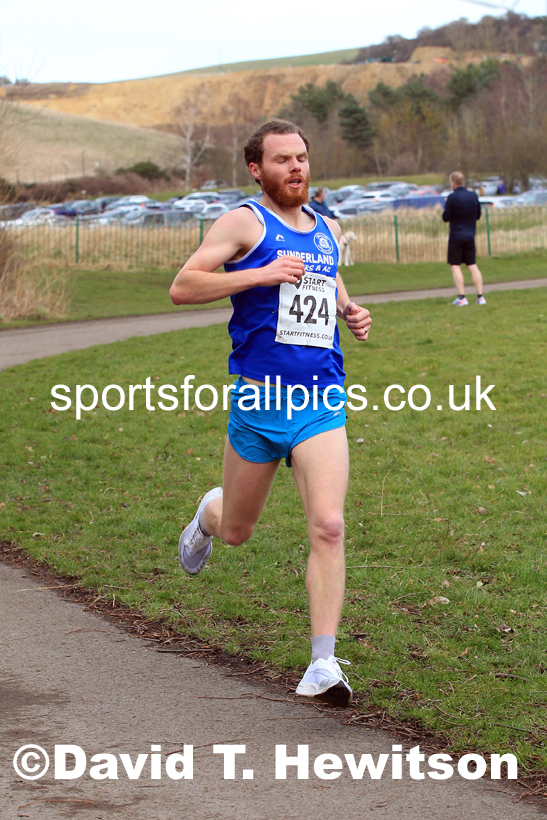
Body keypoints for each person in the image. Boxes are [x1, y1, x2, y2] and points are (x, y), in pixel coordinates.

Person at [169, 119, 371, 707]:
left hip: (320, 400)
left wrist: (351, 312)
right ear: (258, 169)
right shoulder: (243, 223)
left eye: (303, 157)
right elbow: (183, 287)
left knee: (329, 525)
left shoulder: (329, 228)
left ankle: (323, 662)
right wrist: (259, 272)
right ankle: (206, 517)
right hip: (259, 400)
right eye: (283, 160)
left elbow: (325, 288)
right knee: (237, 530)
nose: (297, 168)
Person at [442, 171, 486, 306]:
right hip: (469, 235)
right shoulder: (473, 196)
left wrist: (447, 204)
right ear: (463, 182)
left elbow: (446, 217)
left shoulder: (452, 198)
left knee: (455, 266)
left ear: (453, 183)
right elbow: (478, 215)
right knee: (472, 265)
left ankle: (462, 296)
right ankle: (480, 296)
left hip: (456, 236)